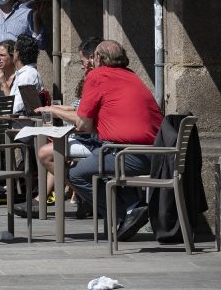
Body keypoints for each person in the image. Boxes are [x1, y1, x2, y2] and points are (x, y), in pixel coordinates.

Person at [66, 40, 162, 241]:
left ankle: (127, 212)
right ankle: (130, 210)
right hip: (160, 154)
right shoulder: (131, 75)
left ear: (98, 59)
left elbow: (83, 125)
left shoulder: (96, 75)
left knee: (76, 174)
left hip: (128, 153)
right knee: (101, 162)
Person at [16, 37, 102, 219]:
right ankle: (54, 198)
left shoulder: (97, 79)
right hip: (87, 135)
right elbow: (78, 109)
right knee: (56, 151)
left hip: (94, 138)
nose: (81, 66)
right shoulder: (94, 78)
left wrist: (55, 112)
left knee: (48, 152)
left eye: (82, 61)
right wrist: (53, 109)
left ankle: (89, 197)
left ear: (94, 58)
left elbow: (82, 118)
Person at [8, 34, 43, 115]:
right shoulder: (26, 73)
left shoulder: (28, 75)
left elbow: (16, 108)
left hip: (21, 124)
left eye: (13, 50)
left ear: (17, 53)